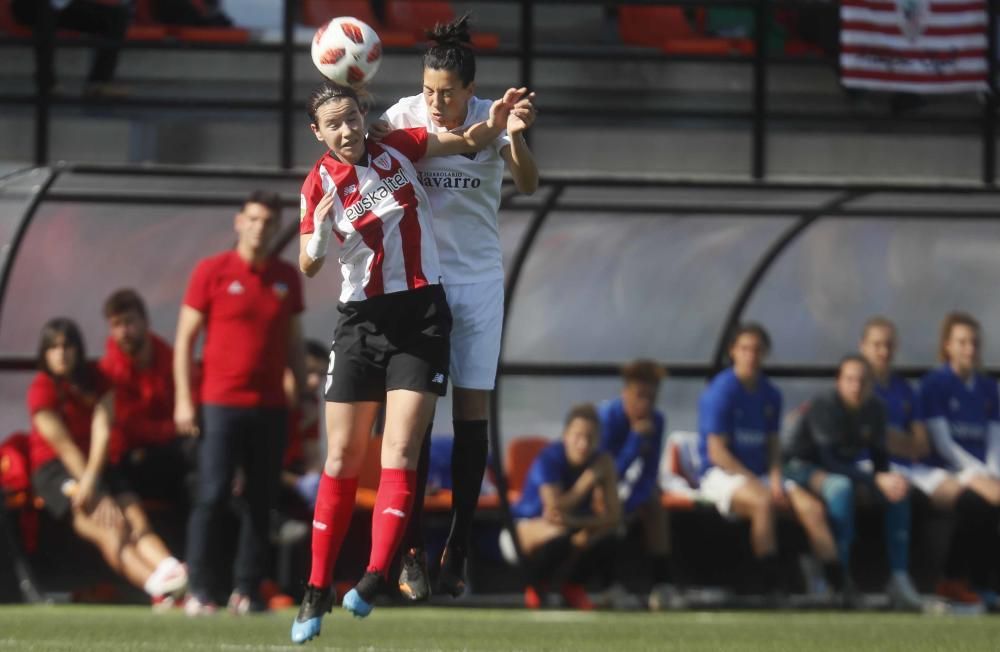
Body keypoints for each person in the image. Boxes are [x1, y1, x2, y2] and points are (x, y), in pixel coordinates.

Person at [290, 81, 526, 644]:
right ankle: (316, 588)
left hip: (421, 317)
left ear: (364, 114)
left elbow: (464, 138)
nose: (347, 130)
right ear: (317, 133)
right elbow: (308, 264)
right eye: (334, 124)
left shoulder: (399, 146)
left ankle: (375, 577)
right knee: (343, 456)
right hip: (360, 325)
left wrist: (495, 123)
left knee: (399, 449)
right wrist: (320, 233)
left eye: (352, 117)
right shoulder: (318, 185)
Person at [375, 14, 538, 601]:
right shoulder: (402, 116)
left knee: (471, 418)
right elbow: (371, 167)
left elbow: (528, 183)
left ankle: (460, 543)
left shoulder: (496, 115)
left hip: (478, 284)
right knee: (413, 422)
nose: (436, 101)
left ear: (470, 90)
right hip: (421, 286)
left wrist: (514, 136)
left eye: (447, 92)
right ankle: (412, 546)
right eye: (428, 90)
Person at [175, 190, 306, 616]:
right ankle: (198, 589)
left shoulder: (286, 276)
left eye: (268, 222)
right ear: (239, 222)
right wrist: (184, 399)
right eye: (253, 219)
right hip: (219, 403)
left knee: (261, 499)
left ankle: (247, 590)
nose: (260, 228)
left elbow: (294, 339)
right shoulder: (211, 271)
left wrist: (296, 386)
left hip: (269, 407)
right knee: (211, 494)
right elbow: (185, 341)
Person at [27, 318, 187, 605]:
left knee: (136, 519)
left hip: (97, 464)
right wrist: (94, 489)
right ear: (44, 353)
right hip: (57, 470)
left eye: (67, 346)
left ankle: (171, 571)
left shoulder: (97, 380)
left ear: (78, 350)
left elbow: (103, 431)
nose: (61, 353)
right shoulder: (41, 389)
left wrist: (95, 478)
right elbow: (64, 448)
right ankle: (158, 588)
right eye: (53, 348)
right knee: (108, 527)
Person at [698, 323, 840, 596]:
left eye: (757, 350)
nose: (751, 355)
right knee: (763, 503)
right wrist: (759, 485)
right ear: (733, 352)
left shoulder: (770, 394)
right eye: (745, 349)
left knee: (812, 508)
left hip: (761, 474)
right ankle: (771, 586)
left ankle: (837, 585)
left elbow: (774, 447)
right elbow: (717, 452)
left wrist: (775, 480)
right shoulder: (721, 392)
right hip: (721, 474)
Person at [784, 355, 923, 610]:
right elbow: (828, 461)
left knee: (898, 491)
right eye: (849, 380)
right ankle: (838, 580)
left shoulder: (876, 409)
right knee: (840, 488)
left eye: (862, 381)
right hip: (800, 467)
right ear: (839, 381)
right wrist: (874, 479)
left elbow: (880, 461)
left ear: (871, 384)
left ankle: (899, 579)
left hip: (842, 470)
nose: (856, 387)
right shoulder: (824, 405)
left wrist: (888, 481)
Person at [915, 312, 1000, 606]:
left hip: (982, 470)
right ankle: (955, 580)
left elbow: (994, 436)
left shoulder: (989, 388)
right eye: (962, 342)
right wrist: (976, 474)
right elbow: (943, 443)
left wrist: (993, 471)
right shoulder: (934, 384)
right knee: (978, 503)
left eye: (974, 342)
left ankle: (983, 584)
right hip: (945, 470)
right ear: (948, 346)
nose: (970, 349)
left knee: (990, 499)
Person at [509, 403, 621, 610]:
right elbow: (554, 511)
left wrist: (579, 523)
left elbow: (614, 516)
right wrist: (586, 482)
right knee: (559, 533)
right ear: (566, 435)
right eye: (578, 436)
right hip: (522, 529)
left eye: (590, 437)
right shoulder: (549, 458)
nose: (583, 444)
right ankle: (535, 587)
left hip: (570, 524)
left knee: (604, 533)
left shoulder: (602, 460)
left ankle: (575, 588)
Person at [99, 288, 194, 510]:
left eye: (128, 322)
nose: (123, 332)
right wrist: (177, 429)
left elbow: (192, 393)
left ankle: (272, 527)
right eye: (116, 325)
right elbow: (132, 427)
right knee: (197, 450)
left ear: (145, 321)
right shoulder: (109, 373)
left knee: (201, 486)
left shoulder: (168, 358)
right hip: (130, 462)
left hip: (171, 457)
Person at [596, 359, 676, 610]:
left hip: (625, 490)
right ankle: (608, 586)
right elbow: (607, 474)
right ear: (625, 393)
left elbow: (649, 473)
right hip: (596, 488)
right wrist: (635, 439)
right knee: (609, 504)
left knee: (654, 503)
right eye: (640, 396)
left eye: (652, 398)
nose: (646, 404)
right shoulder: (606, 418)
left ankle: (661, 585)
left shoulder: (657, 421)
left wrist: (632, 501)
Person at [11, 0, 129, 96]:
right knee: (45, 9)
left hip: (63, 5)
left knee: (117, 16)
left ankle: (99, 83)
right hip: (28, 5)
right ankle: (46, 83)